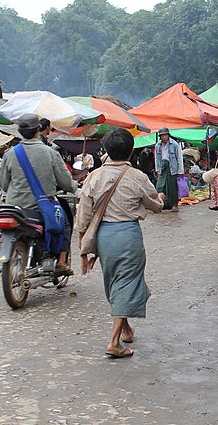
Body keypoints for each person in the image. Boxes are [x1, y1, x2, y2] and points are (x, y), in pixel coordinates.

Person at [77, 128, 166, 358]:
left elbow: (83, 214)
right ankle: (114, 342)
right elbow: (154, 205)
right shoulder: (137, 176)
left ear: (106, 151)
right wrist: (162, 200)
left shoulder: (94, 176)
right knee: (127, 282)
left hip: (104, 238)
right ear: (130, 151)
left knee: (115, 281)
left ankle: (126, 329)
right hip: (128, 236)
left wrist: (83, 245)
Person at [0, 114, 77, 274]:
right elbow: (67, 184)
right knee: (65, 223)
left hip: (13, 208)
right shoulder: (51, 153)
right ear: (38, 131)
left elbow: (3, 185)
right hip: (39, 210)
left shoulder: (10, 154)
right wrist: (74, 184)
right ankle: (61, 262)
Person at [154, 128, 183, 212]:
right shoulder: (157, 145)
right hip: (162, 167)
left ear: (168, 135)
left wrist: (180, 171)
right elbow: (157, 159)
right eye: (162, 135)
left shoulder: (174, 144)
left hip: (172, 168)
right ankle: (160, 204)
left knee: (173, 187)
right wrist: (157, 170)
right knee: (159, 187)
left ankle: (175, 205)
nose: (164, 137)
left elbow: (179, 157)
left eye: (165, 135)